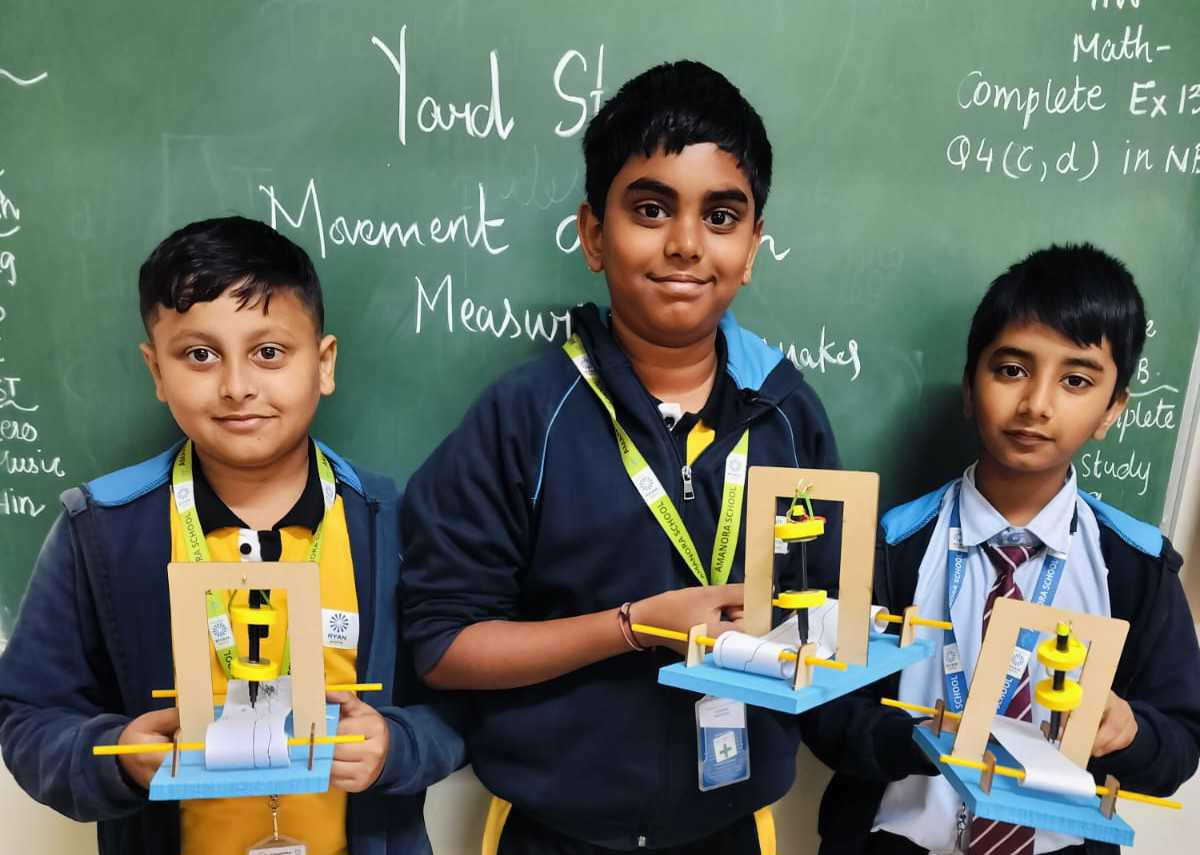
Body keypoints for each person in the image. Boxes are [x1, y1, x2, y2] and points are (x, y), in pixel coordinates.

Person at [400, 60, 841, 854]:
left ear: (751, 248)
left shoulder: (787, 414)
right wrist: (632, 627)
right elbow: (441, 645)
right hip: (554, 833)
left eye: (720, 216)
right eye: (650, 208)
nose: (685, 244)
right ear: (594, 235)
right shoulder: (525, 416)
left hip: (732, 827)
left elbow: (828, 612)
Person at [0, 216, 464, 855]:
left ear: (323, 363)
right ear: (156, 370)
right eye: (200, 355)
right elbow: (28, 717)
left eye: (269, 353)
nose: (237, 387)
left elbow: (462, 704)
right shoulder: (100, 529)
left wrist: (399, 746)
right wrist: (116, 757)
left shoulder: (390, 522)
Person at [801, 244, 1200, 855]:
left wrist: (1130, 733)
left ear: (1111, 411)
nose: (1036, 404)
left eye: (1076, 380)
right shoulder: (887, 547)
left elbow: (1180, 744)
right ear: (970, 387)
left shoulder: (1136, 566)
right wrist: (915, 740)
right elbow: (826, 710)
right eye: (1011, 370)